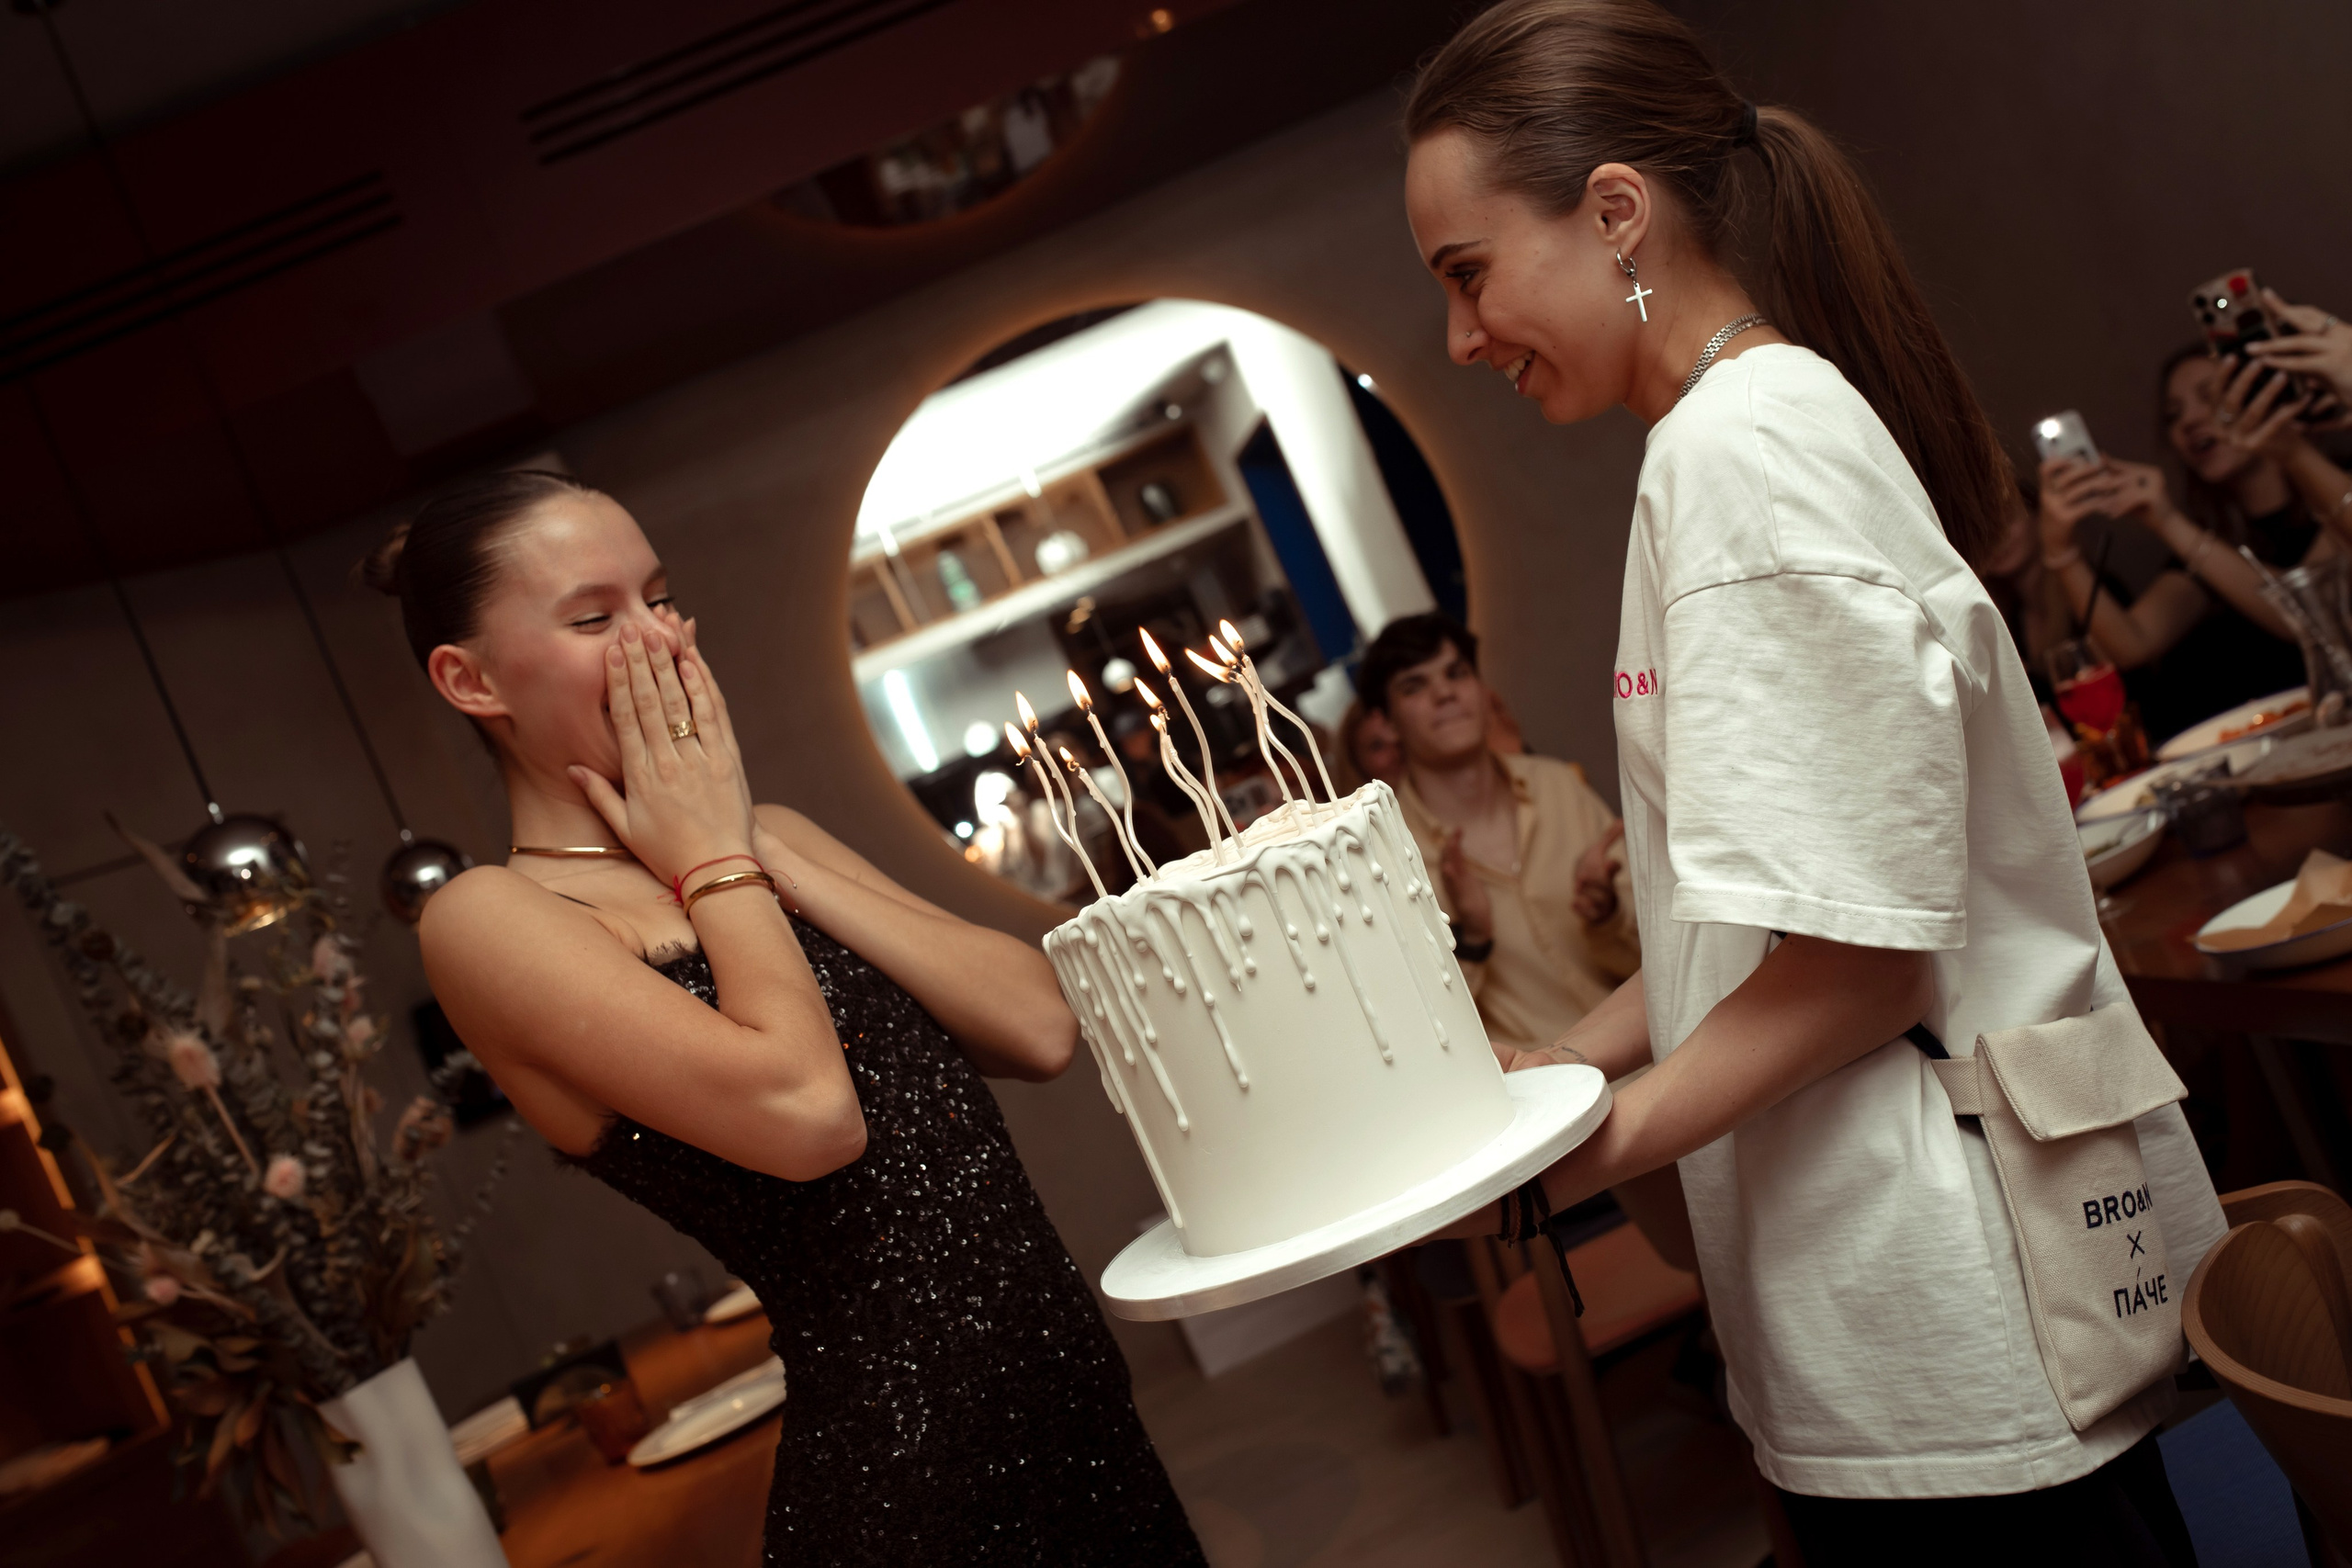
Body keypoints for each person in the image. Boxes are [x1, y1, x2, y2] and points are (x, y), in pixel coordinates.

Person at [1403, 4, 2225, 1562]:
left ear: (1617, 212)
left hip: (1952, 1300)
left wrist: (1589, 1145)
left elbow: (1860, 966)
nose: (1460, 337)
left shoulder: (1744, 449)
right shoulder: (1728, 438)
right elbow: (1756, 917)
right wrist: (1567, 1062)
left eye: (1468, 274)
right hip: (1886, 1296)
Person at [367, 471, 1202, 1565]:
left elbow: (1041, 1027)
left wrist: (740, 843)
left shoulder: (767, 838)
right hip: (912, 1489)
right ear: (469, 680)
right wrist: (714, 859)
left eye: (660, 599)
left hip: (1078, 1417)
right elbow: (814, 1117)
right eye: (592, 616)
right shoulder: (493, 918)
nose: (657, 640)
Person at [1359, 613, 1638, 1067]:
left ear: (1482, 690)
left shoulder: (1558, 787)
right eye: (1414, 686)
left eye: (1457, 673)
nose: (1445, 693)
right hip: (1542, 1098)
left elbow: (1668, 955)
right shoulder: (1383, 854)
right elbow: (1414, 1037)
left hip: (1656, 1052)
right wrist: (1470, 940)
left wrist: (1608, 915)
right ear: (1385, 724)